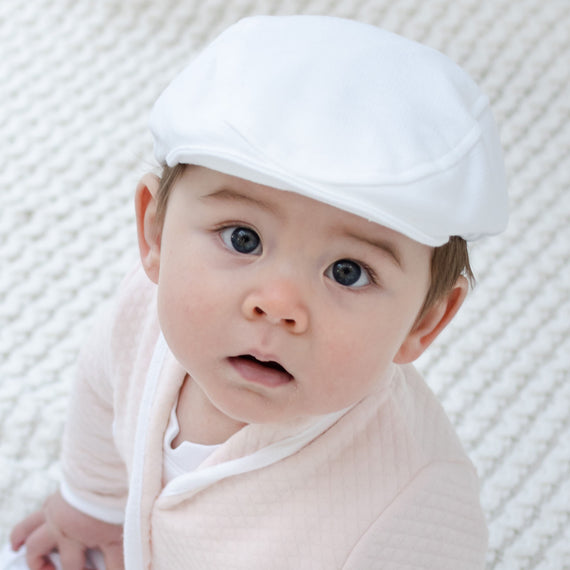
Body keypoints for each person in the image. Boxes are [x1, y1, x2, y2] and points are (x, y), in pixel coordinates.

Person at [3, 14, 508, 570]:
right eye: (243, 239)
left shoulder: (411, 504)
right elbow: (102, 394)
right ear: (155, 233)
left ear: (426, 321)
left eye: (347, 271)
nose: (278, 304)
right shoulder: (140, 314)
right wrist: (91, 506)